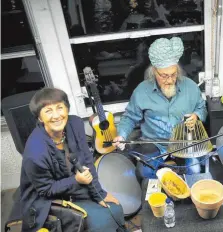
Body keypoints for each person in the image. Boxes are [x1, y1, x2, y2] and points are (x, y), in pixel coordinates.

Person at [20, 88, 125, 232]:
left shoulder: (75, 123)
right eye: (48, 111)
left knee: (115, 210)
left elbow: (87, 161)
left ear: (67, 109)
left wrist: (99, 194)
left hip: (73, 183)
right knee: (100, 223)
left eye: (59, 108)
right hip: (46, 200)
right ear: (39, 117)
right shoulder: (35, 152)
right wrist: (76, 180)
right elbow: (45, 190)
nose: (56, 116)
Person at [113, 37, 207, 180]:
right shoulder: (142, 91)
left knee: (194, 170)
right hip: (154, 144)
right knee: (144, 173)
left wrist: (197, 116)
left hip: (183, 142)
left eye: (173, 74)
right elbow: (129, 117)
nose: (169, 80)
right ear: (154, 72)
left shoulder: (190, 87)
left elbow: (202, 108)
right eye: (164, 76)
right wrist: (122, 135)